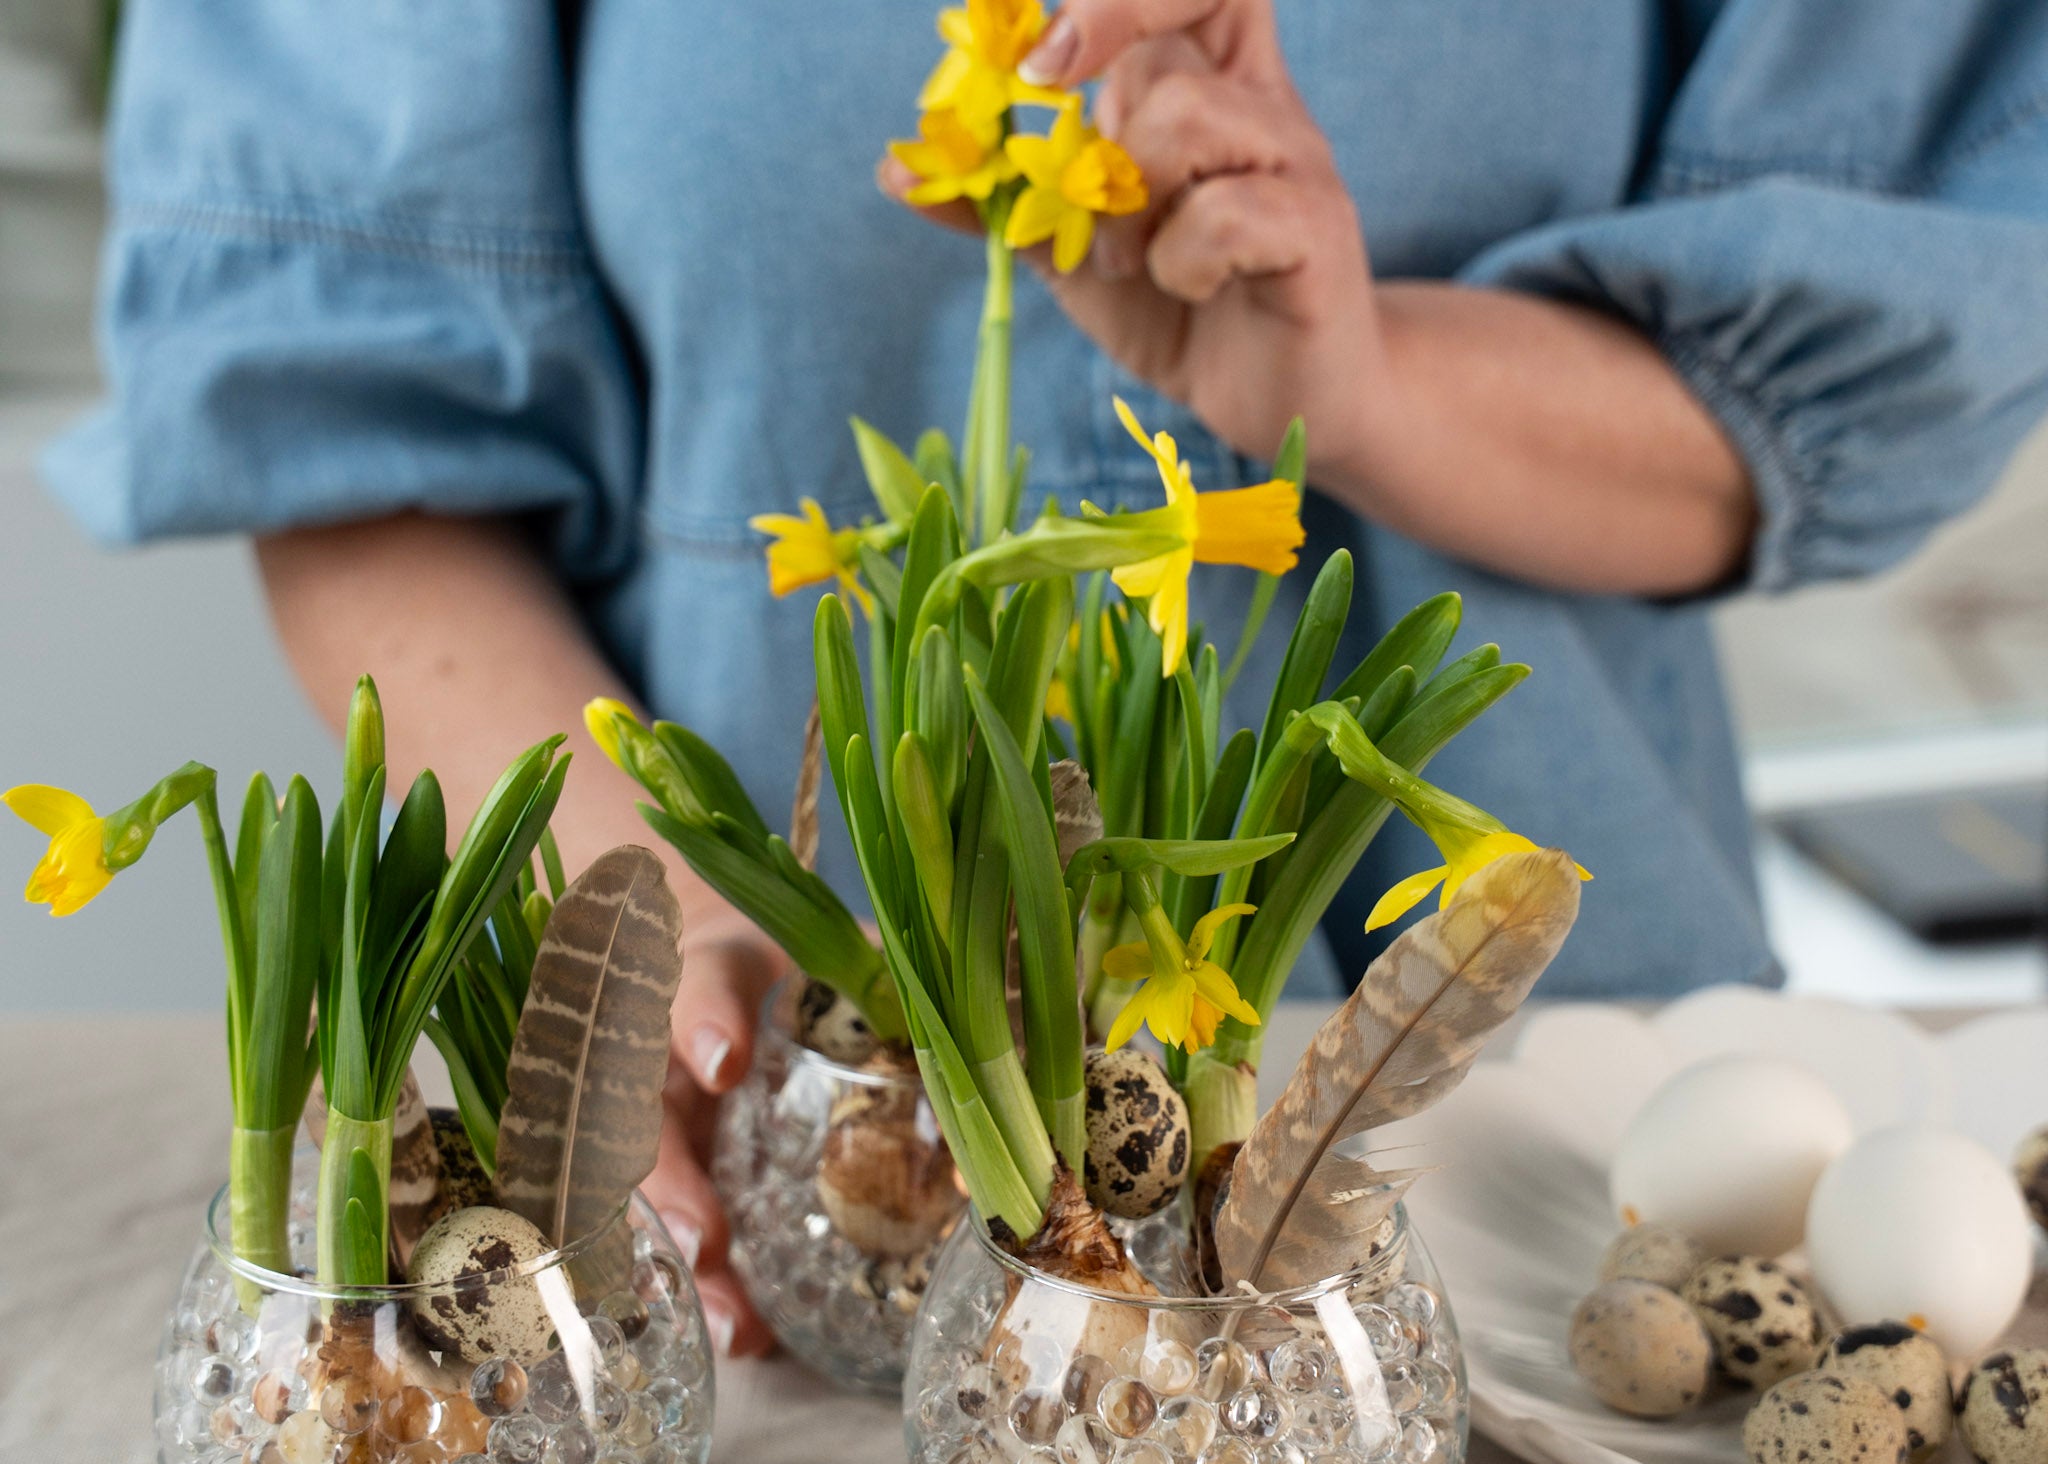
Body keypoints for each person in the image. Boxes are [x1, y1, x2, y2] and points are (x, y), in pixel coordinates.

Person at [47, 0, 2048, 1351]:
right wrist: (628, 915)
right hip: (814, 1210)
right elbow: (350, 420)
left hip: (1542, 1195)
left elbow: (1819, 372)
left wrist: (1354, 383)